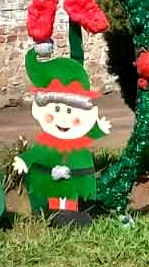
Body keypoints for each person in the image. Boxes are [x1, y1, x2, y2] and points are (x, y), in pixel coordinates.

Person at [12, 49, 111, 226]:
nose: (63, 119)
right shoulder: (48, 142)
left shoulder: (78, 141)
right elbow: (39, 152)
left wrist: (99, 129)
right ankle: (53, 214)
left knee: (71, 195)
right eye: (57, 109)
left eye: (69, 111)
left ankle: (70, 214)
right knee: (52, 192)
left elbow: (88, 136)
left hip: (74, 181)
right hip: (51, 181)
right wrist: (24, 160)